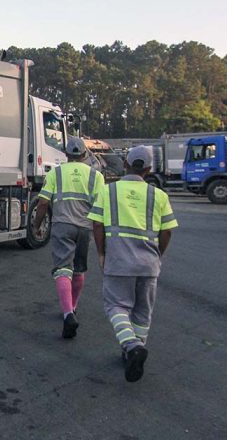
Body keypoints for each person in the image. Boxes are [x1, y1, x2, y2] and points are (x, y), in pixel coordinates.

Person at [87, 146, 178, 382]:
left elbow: (97, 225)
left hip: (118, 262)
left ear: (125, 164)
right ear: (148, 170)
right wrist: (158, 254)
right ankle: (133, 351)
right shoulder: (159, 195)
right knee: (142, 312)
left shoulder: (108, 192)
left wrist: (101, 253)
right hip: (149, 264)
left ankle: (131, 346)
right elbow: (167, 231)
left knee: (116, 307)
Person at [33, 136, 105, 339]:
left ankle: (67, 314)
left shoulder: (56, 173)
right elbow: (101, 209)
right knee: (79, 268)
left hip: (62, 226)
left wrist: (37, 226)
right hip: (85, 227)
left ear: (66, 155)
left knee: (62, 269)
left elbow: (43, 203)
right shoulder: (95, 176)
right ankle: (73, 307)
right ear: (84, 155)